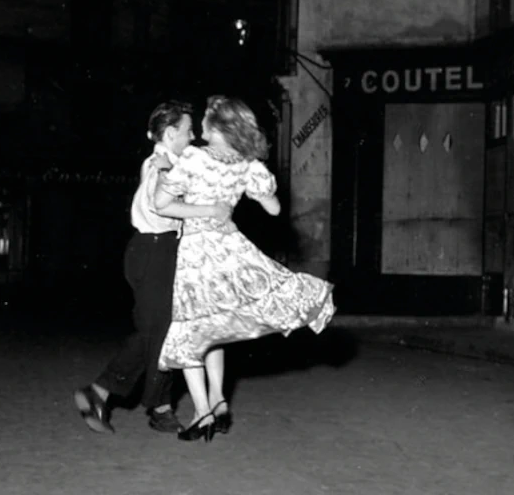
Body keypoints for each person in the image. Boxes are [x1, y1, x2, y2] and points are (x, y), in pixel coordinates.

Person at [155, 95, 336, 443]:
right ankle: (220, 401)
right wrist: (241, 189)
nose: (201, 126)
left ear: (218, 128)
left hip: (198, 254)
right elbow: (272, 208)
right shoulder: (247, 164)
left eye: (206, 121)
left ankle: (203, 412)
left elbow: (162, 205)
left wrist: (207, 208)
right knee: (215, 327)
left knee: (193, 332)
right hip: (231, 250)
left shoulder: (193, 158)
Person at [74, 100, 230, 434]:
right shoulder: (160, 165)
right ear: (172, 133)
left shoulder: (169, 162)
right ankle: (128, 399)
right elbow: (161, 209)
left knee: (160, 332)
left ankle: (149, 403)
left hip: (160, 251)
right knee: (158, 332)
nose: (191, 137)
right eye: (188, 131)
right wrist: (207, 209)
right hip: (154, 250)